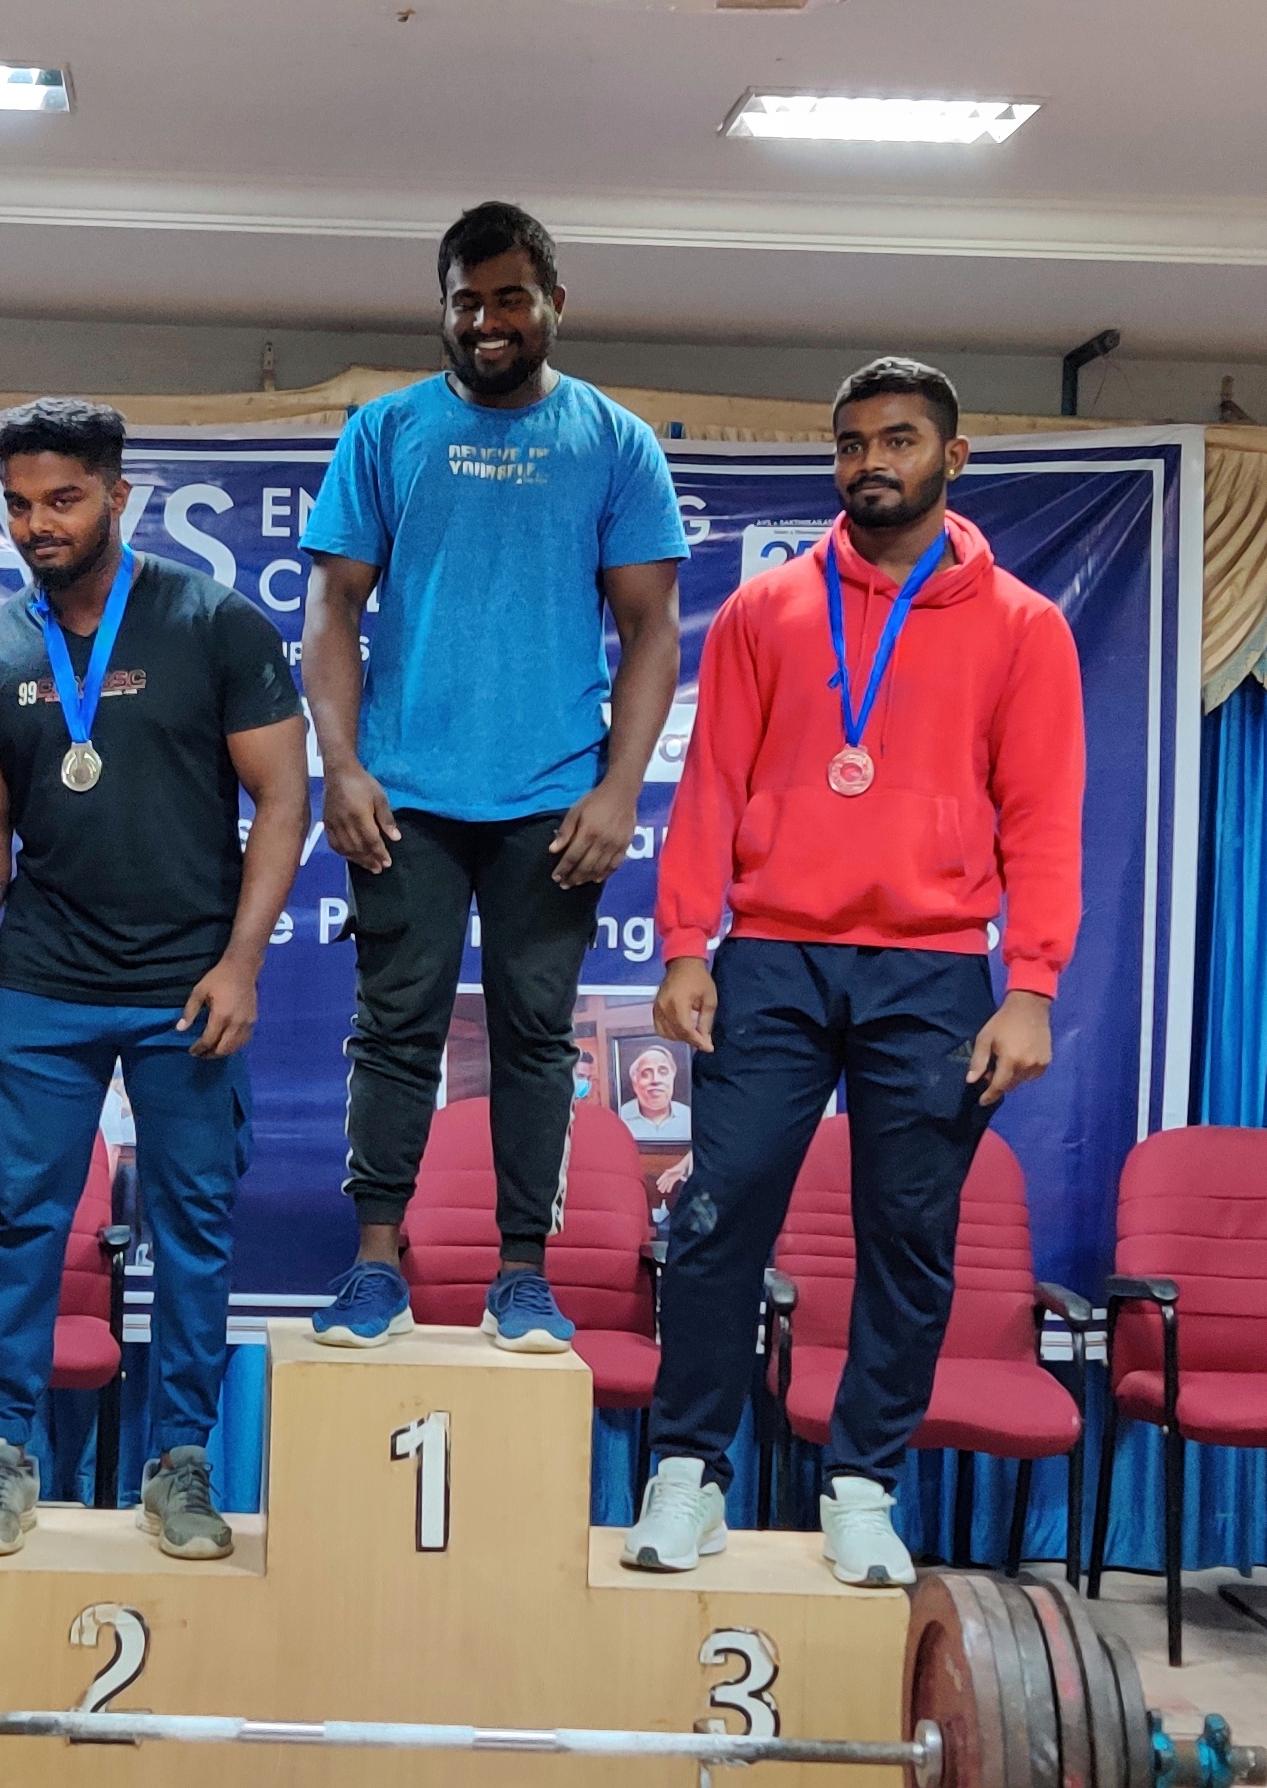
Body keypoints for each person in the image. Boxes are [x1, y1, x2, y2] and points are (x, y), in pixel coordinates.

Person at [622, 357, 1082, 1588]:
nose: (870, 461)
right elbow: (710, 787)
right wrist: (682, 945)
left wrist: (1030, 983)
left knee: (909, 1237)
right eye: (850, 444)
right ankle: (688, 1474)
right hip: (771, 956)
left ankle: (865, 1487)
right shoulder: (770, 611)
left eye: (897, 439)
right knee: (717, 1218)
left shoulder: (1025, 629)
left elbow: (1042, 819)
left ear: (952, 456)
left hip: (933, 973)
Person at [301, 199, 687, 1353]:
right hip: (404, 797)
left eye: (509, 296)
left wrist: (620, 791)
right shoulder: (385, 431)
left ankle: (523, 1274)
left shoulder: (614, 441)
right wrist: (343, 767)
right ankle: (375, 1268)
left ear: (553, 304)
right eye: (465, 300)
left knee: (532, 1033)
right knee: (393, 1028)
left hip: (554, 802)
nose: (486, 319)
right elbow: (331, 609)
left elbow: (651, 630)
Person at [0, 399, 310, 1561]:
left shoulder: (215, 625)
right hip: (43, 979)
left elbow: (284, 801)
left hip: (187, 983)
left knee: (192, 1230)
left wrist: (242, 962)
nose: (38, 524)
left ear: (118, 497)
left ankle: (179, 1465)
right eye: (18, 504)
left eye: (63, 499)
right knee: (21, 1221)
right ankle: (3, 1458)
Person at [616, 1042, 691, 1143]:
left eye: (663, 1072)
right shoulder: (618, 1117)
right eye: (646, 1074)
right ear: (635, 1083)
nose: (656, 1080)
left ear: (672, 1078)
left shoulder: (689, 1116)